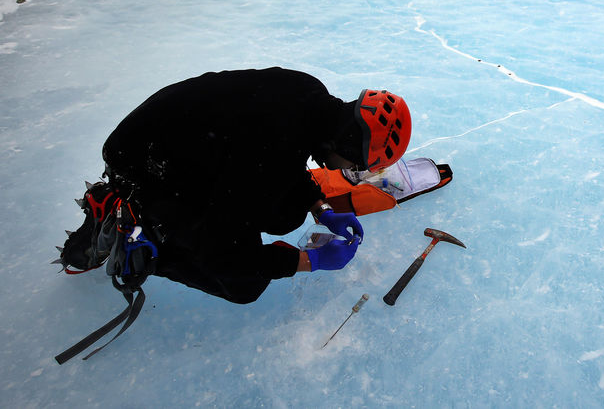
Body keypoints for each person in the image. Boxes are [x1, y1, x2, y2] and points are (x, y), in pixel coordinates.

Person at [97, 67, 411, 304]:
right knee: (245, 284)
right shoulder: (272, 152)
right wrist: (308, 261)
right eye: (357, 166)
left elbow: (279, 161)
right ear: (349, 144)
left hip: (175, 145)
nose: (352, 171)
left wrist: (322, 208)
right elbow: (225, 255)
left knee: (287, 212)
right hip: (142, 166)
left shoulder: (310, 98)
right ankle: (146, 248)